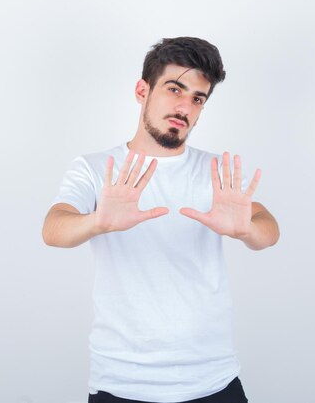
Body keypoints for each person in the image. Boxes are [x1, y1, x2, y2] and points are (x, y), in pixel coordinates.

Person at [42, 37, 280, 403]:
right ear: (142, 90)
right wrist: (98, 222)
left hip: (213, 379)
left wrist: (248, 228)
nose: (185, 106)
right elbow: (54, 229)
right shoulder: (95, 169)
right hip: (121, 382)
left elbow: (268, 230)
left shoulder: (215, 172)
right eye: (175, 89)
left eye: (198, 98)